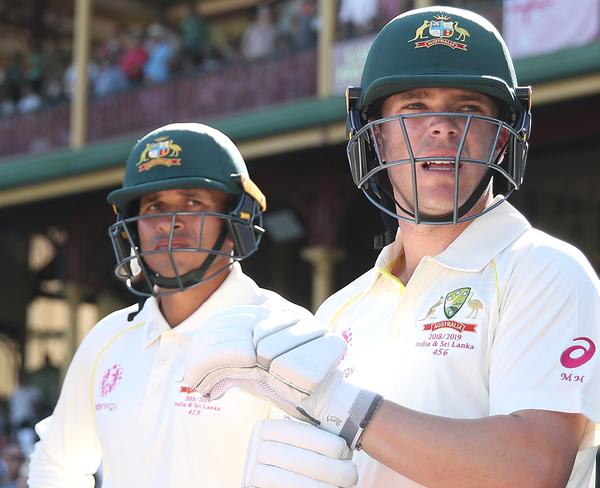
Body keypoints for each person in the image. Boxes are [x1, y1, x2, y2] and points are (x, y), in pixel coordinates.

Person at [184, 7, 600, 487]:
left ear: (501, 139)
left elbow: (532, 470)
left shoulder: (546, 272)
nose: (442, 128)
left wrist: (339, 403)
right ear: (378, 136)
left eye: (469, 109)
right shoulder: (340, 311)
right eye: (413, 107)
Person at [27, 123, 357, 487]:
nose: (170, 223)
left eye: (192, 203)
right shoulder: (108, 338)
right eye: (154, 207)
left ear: (237, 220)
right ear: (132, 228)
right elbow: (56, 463)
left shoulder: (284, 332)